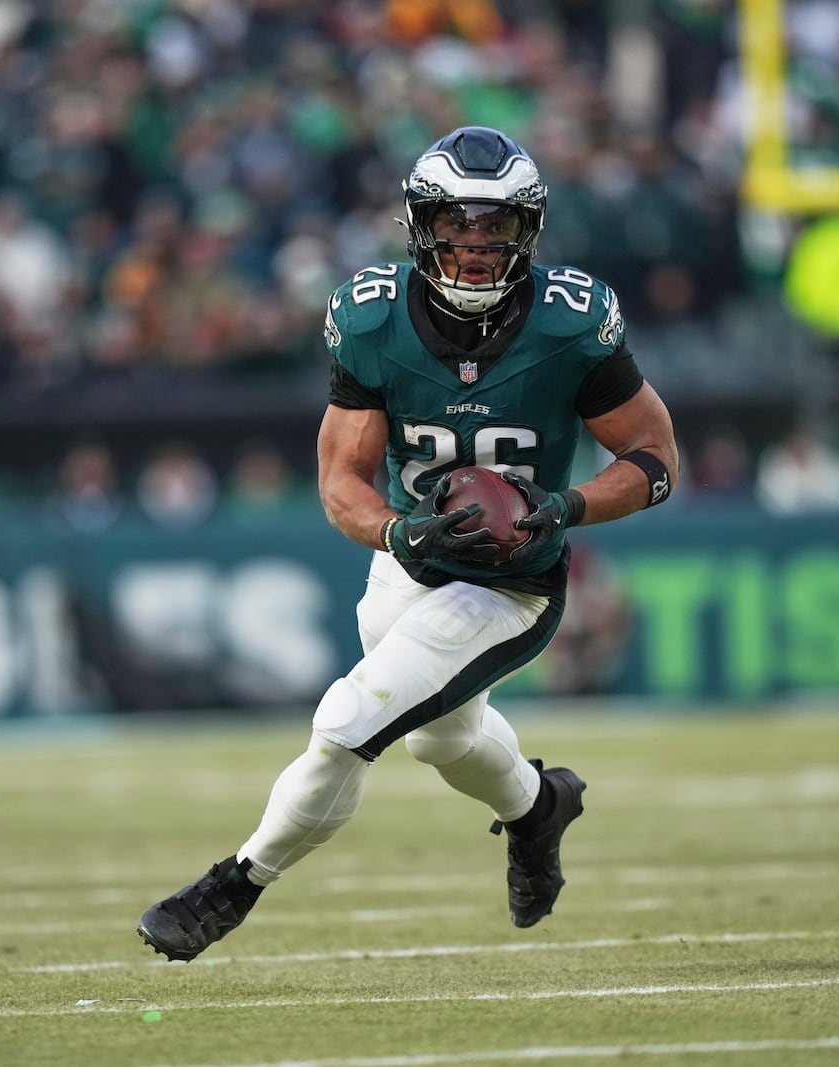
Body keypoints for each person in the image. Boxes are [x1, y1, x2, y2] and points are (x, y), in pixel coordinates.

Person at [137, 126, 680, 960]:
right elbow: (340, 482)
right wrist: (398, 527)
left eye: (494, 227)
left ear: (526, 232)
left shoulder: (571, 324)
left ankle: (233, 885)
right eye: (457, 225)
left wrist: (563, 505)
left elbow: (654, 458)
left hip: (509, 584)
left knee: (352, 716)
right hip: (409, 562)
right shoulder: (370, 317)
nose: (473, 247)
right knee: (443, 738)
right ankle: (538, 806)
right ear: (422, 225)